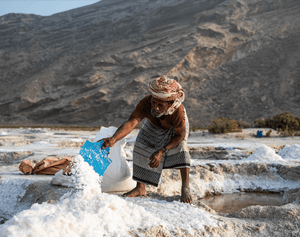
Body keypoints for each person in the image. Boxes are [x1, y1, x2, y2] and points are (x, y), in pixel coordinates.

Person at [100, 76, 192, 203]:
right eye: (154, 103)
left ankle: (185, 187)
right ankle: (140, 188)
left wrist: (162, 151)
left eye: (161, 105)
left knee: (181, 148)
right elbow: (132, 122)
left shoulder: (178, 111)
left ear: (170, 104)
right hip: (154, 124)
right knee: (140, 145)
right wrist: (114, 139)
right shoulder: (146, 103)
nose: (156, 108)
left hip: (174, 131)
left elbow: (180, 135)